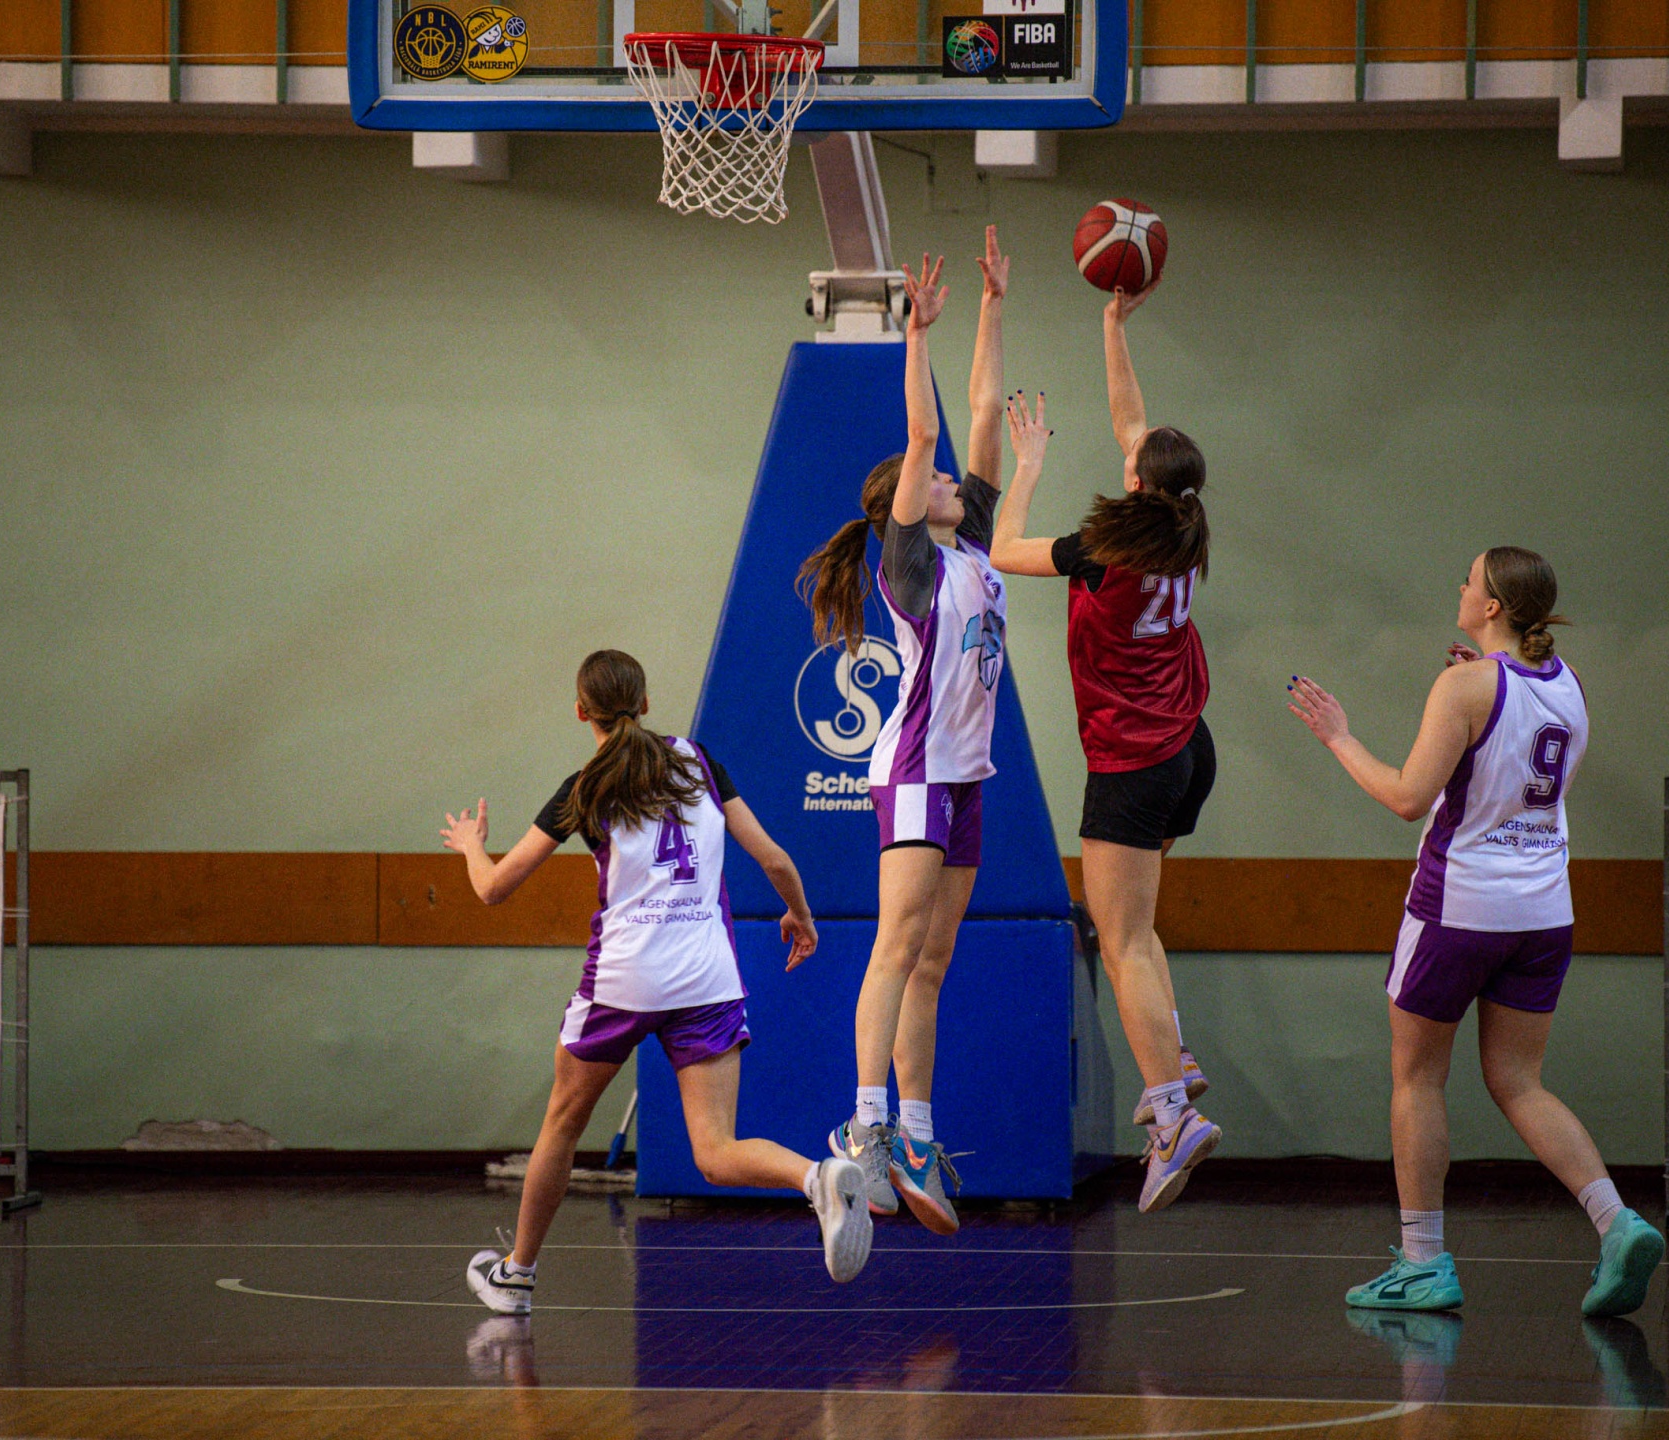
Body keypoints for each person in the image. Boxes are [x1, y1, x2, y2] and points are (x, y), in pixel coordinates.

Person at [1286, 546, 1664, 1316]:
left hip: (1458, 909)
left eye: (1469, 579)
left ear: (1491, 605)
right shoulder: (1567, 682)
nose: (1458, 586)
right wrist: (1475, 690)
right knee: (1520, 1081)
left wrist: (1338, 736)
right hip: (1544, 913)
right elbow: (1513, 760)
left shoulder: (1463, 686)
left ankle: (1423, 1264)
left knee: (1417, 1079)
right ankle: (1617, 1222)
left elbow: (1406, 797)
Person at [441, 649, 869, 1314]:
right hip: (706, 981)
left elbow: (494, 888)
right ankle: (815, 1176)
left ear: (580, 711)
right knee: (716, 1152)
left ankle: (517, 1275)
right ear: (644, 703)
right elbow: (775, 859)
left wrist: (472, 843)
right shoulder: (698, 762)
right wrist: (801, 916)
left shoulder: (583, 788)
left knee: (562, 1123)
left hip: (623, 982)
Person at [986, 279, 1221, 1214]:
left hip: (1132, 764)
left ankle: (1170, 1113)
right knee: (1140, 924)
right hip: (1189, 749)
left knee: (1119, 939)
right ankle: (1176, 1052)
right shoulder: (1187, 527)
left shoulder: (1103, 549)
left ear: (1136, 483)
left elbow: (1002, 548)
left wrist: (1028, 464)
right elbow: (1135, 425)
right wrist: (1112, 325)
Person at [796, 229, 1012, 1235]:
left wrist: (994, 309)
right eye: (934, 479)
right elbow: (928, 433)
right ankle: (866, 1124)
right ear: (904, 505)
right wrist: (916, 335)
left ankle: (917, 1134)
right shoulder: (913, 565)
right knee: (894, 948)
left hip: (965, 777)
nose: (953, 479)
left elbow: (980, 418)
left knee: (935, 961)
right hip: (918, 771)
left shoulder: (973, 550)